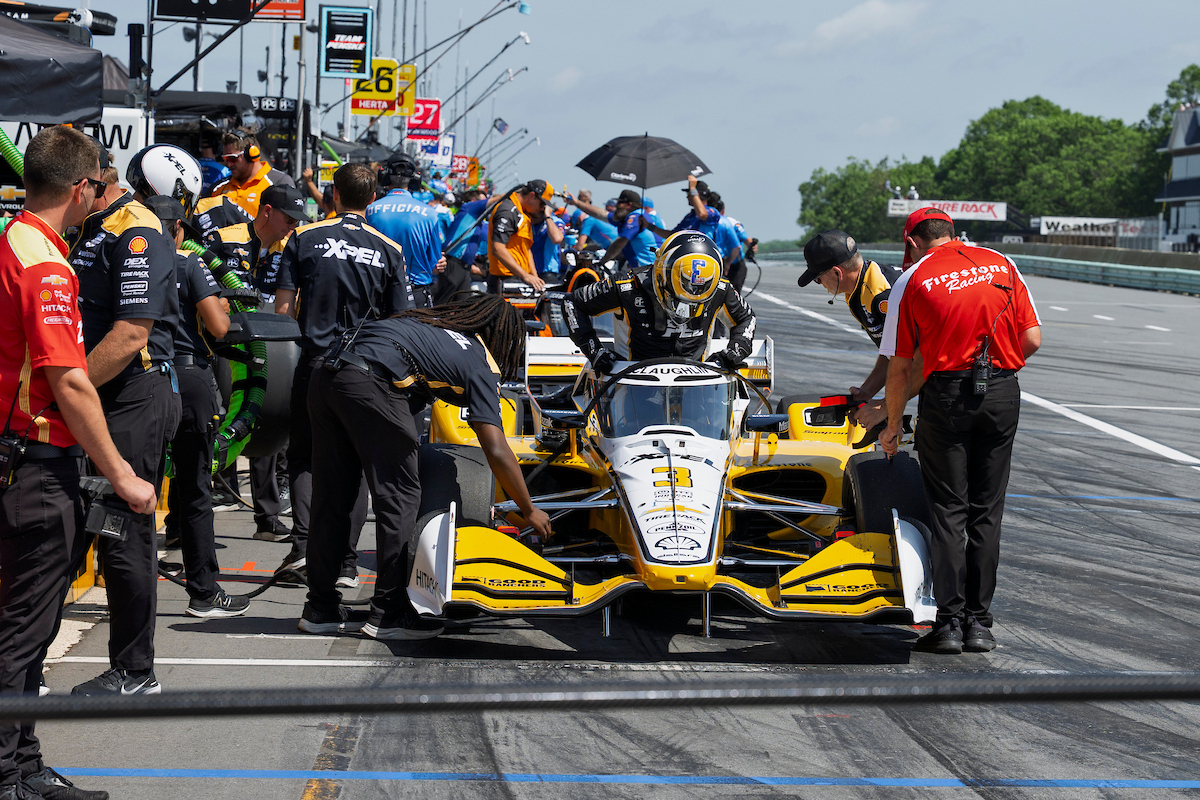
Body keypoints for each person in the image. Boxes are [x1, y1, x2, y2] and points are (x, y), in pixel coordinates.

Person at [0, 125, 156, 800]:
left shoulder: (14, 241)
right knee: (24, 630)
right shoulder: (46, 264)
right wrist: (122, 473)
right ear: (81, 188)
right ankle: (9, 773)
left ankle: (23, 762)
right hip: (36, 464)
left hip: (18, 456)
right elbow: (68, 380)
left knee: (26, 627)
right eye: (97, 184)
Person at [299, 294, 553, 638]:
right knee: (400, 498)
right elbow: (495, 447)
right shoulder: (479, 360)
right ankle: (389, 613)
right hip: (370, 379)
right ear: (500, 337)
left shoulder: (429, 325)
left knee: (332, 498)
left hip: (326, 372)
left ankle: (320, 608)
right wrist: (529, 509)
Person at [879, 211, 1041, 655]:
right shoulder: (1002, 262)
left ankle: (948, 624)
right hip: (1001, 391)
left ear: (912, 242)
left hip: (946, 396)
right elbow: (1032, 338)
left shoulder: (912, 279)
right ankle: (979, 625)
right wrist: (995, 370)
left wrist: (891, 425)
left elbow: (900, 367)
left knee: (949, 512)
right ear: (952, 233)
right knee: (986, 513)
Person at [68, 144, 187, 697]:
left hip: (133, 395)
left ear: (99, 180)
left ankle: (135, 670)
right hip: (96, 395)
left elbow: (131, 334)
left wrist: (67, 392)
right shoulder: (92, 226)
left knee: (122, 533)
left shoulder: (135, 229)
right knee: (77, 525)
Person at [274, 163, 414, 581]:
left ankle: (304, 547)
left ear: (333, 194)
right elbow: (400, 323)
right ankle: (347, 563)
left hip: (314, 364)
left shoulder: (303, 237)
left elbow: (283, 311)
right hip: (366, 371)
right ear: (373, 199)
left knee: (304, 457)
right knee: (355, 463)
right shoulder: (389, 249)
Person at [143, 195, 249, 618]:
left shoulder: (128, 261)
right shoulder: (189, 262)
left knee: (140, 485)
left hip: (141, 379)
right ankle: (203, 592)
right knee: (194, 488)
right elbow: (219, 327)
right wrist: (221, 303)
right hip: (188, 379)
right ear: (180, 230)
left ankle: (130, 591)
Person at [205, 185, 308, 541]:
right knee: (214, 420)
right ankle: (187, 518)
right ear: (267, 211)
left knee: (265, 417)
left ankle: (267, 518)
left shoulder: (290, 247)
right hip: (221, 345)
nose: (292, 226)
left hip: (268, 346)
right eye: (289, 218)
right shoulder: (223, 239)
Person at [563, 230, 756, 371]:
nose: (685, 308)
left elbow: (746, 318)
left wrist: (737, 349)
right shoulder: (626, 286)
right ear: (661, 275)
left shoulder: (721, 289)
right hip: (630, 384)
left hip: (697, 386)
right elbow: (572, 303)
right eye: (682, 294)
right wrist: (595, 351)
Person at [796, 228, 909, 429]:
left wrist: (887, 408)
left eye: (818, 278)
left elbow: (917, 358)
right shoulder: (860, 287)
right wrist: (866, 392)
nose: (819, 284)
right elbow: (891, 351)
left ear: (837, 272)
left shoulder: (881, 295)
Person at [365, 154, 446, 308]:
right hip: (416, 295)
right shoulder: (429, 213)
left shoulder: (369, 211)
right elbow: (435, 266)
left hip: (377, 293)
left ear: (384, 176)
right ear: (415, 179)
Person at [487, 180, 554, 294]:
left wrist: (534, 277)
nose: (542, 208)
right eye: (542, 204)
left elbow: (526, 249)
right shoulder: (508, 210)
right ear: (531, 196)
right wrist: (525, 275)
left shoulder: (523, 213)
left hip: (519, 278)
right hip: (504, 279)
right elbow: (498, 248)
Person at [565, 189, 657, 269]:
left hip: (647, 271)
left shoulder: (636, 217)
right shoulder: (626, 217)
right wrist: (576, 203)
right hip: (641, 269)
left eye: (620, 203)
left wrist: (602, 262)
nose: (616, 205)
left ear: (629, 205)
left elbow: (619, 243)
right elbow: (600, 214)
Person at [211, 131, 295, 217]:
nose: (228, 164)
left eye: (232, 158)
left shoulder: (279, 183)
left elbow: (288, 221)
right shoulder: (219, 187)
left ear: (251, 154)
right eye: (226, 159)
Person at [437, 189, 488, 304]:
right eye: (484, 201)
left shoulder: (478, 221)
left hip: (464, 268)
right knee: (443, 303)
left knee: (463, 306)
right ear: (474, 201)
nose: (486, 206)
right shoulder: (469, 208)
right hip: (453, 264)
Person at [531, 202, 566, 279]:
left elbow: (557, 239)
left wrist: (547, 216)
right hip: (528, 271)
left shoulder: (555, 221)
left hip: (547, 272)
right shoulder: (527, 221)